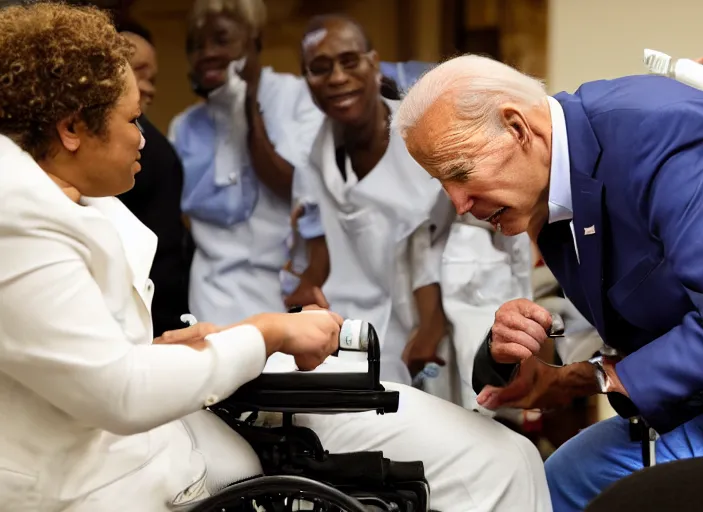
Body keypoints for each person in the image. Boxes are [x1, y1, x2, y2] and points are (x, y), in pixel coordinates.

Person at [0, 6, 552, 510]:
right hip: (125, 470)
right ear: (71, 128)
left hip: (206, 415)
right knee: (495, 464)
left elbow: (73, 347)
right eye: (132, 119)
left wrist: (161, 347)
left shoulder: (76, 203)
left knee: (502, 454)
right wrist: (266, 333)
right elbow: (116, 389)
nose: (145, 138)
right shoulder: (18, 223)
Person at [394, 52, 703, 510]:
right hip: (684, 407)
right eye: (442, 182)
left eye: (459, 172)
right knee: (541, 490)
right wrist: (529, 360)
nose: (458, 203)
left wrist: (598, 377)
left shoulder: (657, 138)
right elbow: (628, 324)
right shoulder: (549, 185)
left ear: (517, 128)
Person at [284, 15, 454, 386]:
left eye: (349, 61)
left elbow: (441, 241)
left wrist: (431, 325)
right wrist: (302, 296)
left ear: (374, 63)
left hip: (428, 338)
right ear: (306, 80)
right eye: (319, 68)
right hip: (346, 342)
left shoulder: (422, 140)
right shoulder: (313, 158)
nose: (338, 78)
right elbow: (318, 255)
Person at [169, 0, 325, 325]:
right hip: (211, 295)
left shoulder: (296, 98)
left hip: (282, 291)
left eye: (221, 40)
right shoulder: (184, 126)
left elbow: (292, 185)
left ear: (254, 40)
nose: (207, 52)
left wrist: (246, 108)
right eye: (195, 46)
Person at [116, 19, 193, 337]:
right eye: (139, 70)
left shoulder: (147, 141)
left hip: (159, 308)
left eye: (153, 77)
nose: (150, 87)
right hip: (135, 315)